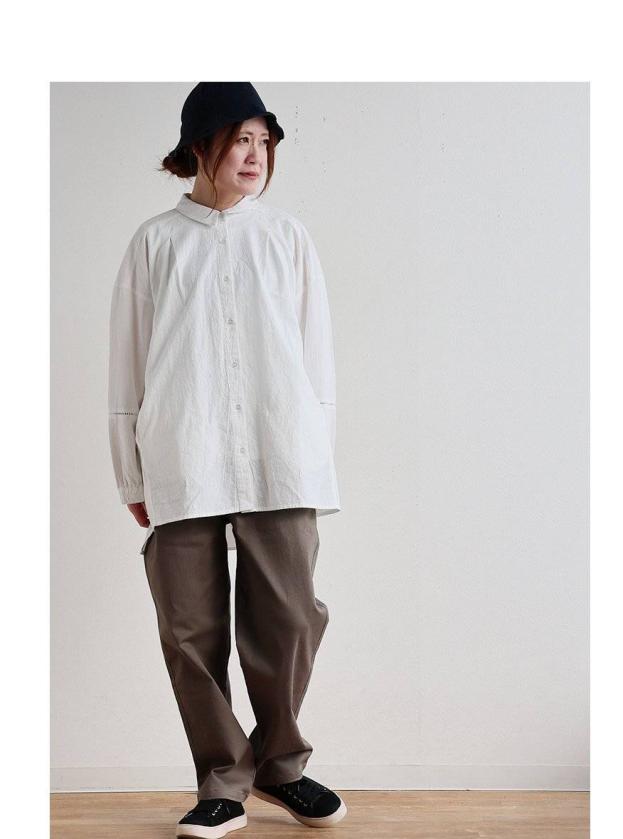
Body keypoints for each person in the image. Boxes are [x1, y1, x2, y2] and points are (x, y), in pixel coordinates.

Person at [107, 82, 347, 837]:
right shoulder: (155, 242)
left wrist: (315, 456)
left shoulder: (287, 237)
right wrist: (131, 472)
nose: (255, 154)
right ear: (200, 145)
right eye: (240, 138)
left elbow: (316, 359)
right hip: (184, 451)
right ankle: (222, 778)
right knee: (189, 627)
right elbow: (128, 365)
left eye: (264, 141)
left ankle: (281, 766)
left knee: (291, 616)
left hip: (282, 455)